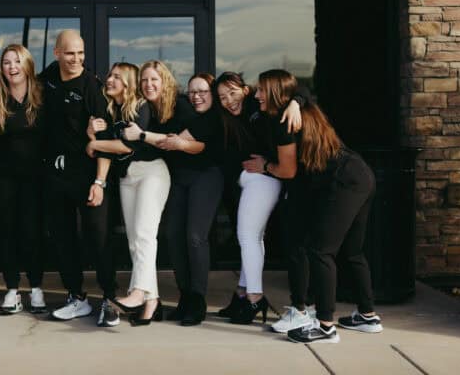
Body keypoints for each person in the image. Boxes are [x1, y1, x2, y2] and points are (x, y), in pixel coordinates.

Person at [245, 73, 380, 344]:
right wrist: (296, 100)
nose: (257, 95)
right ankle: (367, 316)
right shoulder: (300, 108)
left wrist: (264, 167)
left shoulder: (286, 121)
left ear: (274, 93)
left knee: (320, 251)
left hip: (342, 182)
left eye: (261, 90)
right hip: (359, 173)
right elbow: (301, 88)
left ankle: (325, 326)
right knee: (352, 251)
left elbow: (288, 170)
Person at [123, 72, 223, 326]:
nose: (197, 96)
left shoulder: (188, 110)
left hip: (205, 174)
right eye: (193, 91)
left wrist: (143, 136)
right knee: (173, 235)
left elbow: (187, 145)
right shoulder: (151, 109)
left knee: (195, 237)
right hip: (178, 177)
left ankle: (197, 301)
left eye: (203, 91)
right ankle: (185, 296)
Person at [40, 29, 117, 326]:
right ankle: (77, 297)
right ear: (57, 53)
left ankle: (110, 299)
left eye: (81, 53)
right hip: (55, 176)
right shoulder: (47, 80)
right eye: (70, 53)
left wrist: (99, 182)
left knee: (98, 238)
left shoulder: (91, 86)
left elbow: (105, 138)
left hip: (88, 176)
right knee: (63, 239)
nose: (77, 59)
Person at [213, 71, 302, 326]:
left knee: (248, 237)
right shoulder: (225, 117)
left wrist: (297, 102)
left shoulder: (258, 104)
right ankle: (242, 294)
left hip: (265, 178)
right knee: (252, 238)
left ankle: (254, 297)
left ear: (246, 90)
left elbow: (295, 91)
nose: (229, 100)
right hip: (249, 180)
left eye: (232, 93)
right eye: (222, 97)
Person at [85, 62, 162, 326]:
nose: (110, 80)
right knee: (134, 240)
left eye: (117, 76)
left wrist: (95, 142)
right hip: (128, 177)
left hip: (151, 172)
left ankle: (138, 292)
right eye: (109, 75)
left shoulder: (140, 106)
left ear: (128, 81)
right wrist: (92, 132)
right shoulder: (109, 109)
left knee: (144, 235)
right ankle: (152, 301)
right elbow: (108, 147)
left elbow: (125, 144)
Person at [0, 44, 47, 315]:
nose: (11, 67)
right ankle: (12, 289)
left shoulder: (42, 95)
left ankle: (36, 287)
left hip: (35, 178)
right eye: (6, 62)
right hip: (4, 178)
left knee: (33, 232)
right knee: (8, 232)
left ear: (27, 65)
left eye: (16, 61)